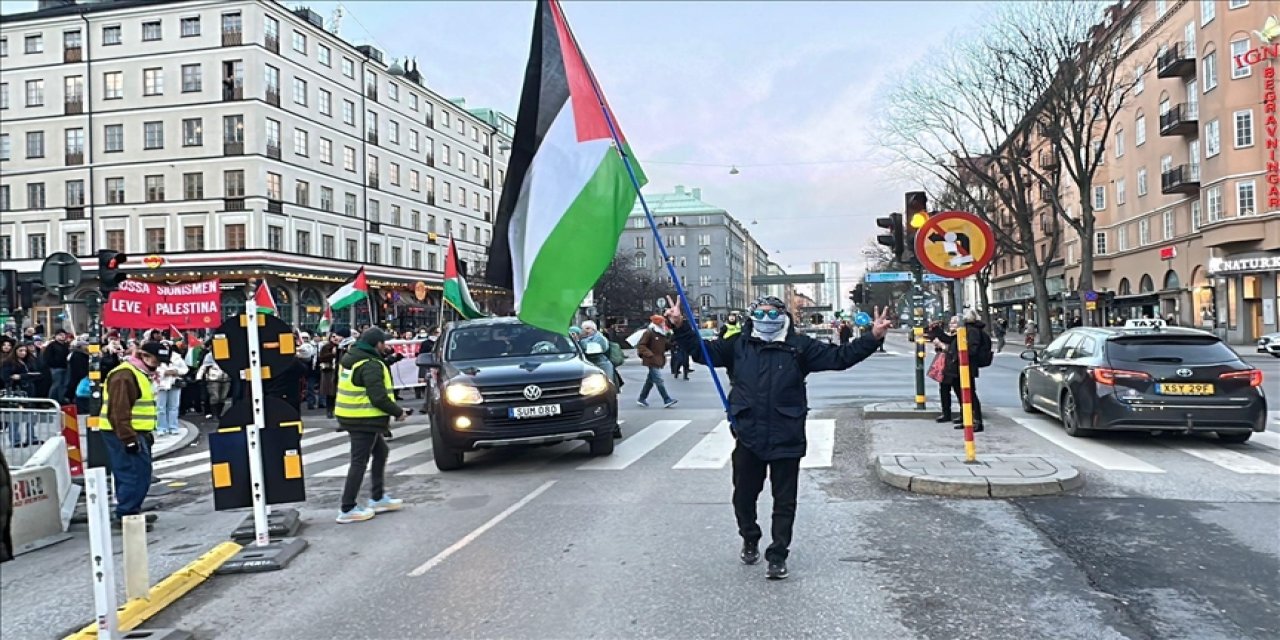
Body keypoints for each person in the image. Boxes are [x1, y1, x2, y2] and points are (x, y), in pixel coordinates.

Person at [668, 295, 889, 580]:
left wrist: (872, 337)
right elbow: (701, 352)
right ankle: (750, 536)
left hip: (787, 433)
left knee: (784, 500)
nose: (768, 319)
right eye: (761, 313)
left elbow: (839, 358)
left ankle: (778, 554)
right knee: (743, 497)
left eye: (774, 314)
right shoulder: (738, 345)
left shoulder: (800, 346)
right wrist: (680, 325)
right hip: (748, 435)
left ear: (785, 316)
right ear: (752, 316)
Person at [334, 328, 407, 524]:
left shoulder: (352, 357)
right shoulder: (370, 364)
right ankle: (347, 507)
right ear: (377, 344)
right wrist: (398, 412)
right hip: (363, 418)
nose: (386, 346)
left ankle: (377, 497)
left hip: (353, 415)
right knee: (359, 462)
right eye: (384, 343)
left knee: (381, 452)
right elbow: (378, 397)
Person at [98, 341, 167, 527]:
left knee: (137, 473)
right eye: (157, 360)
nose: (159, 365)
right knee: (133, 474)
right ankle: (126, 515)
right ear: (144, 356)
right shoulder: (125, 375)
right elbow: (119, 410)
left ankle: (130, 512)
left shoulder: (136, 373)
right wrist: (129, 439)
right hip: (124, 433)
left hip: (132, 432)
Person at [932, 309, 992, 432]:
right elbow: (951, 340)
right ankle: (967, 419)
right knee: (963, 394)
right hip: (959, 367)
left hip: (966, 367)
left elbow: (971, 349)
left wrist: (958, 355)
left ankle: (976, 421)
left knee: (969, 395)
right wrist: (937, 331)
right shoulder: (966, 330)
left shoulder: (972, 331)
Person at [2, 344, 41, 447]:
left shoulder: (29, 362)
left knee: (31, 415)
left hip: (29, 391)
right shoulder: (8, 363)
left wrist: (21, 376)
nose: (23, 353)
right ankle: (15, 440)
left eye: (25, 351)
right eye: (20, 350)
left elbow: (37, 374)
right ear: (15, 351)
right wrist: (23, 377)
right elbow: (6, 377)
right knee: (15, 417)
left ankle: (31, 437)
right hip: (16, 392)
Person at [635, 315, 677, 408]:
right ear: (657, 323)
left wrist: (672, 344)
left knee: (650, 381)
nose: (663, 323)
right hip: (651, 360)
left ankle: (642, 398)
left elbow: (664, 346)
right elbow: (641, 345)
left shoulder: (661, 333)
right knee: (658, 380)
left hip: (657, 359)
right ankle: (666, 399)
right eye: (662, 322)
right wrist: (649, 354)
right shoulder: (649, 332)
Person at [152, 341, 189, 436]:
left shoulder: (176, 357)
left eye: (167, 346)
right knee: (161, 408)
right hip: (161, 385)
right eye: (163, 346)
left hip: (174, 384)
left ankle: (173, 426)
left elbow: (185, 369)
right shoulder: (155, 357)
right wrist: (164, 373)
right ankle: (161, 427)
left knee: (173, 406)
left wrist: (176, 371)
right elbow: (152, 370)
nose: (166, 348)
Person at [318, 331, 345, 419]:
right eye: (333, 337)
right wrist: (332, 354)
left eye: (336, 336)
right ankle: (329, 410)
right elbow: (321, 358)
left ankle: (337, 411)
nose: (335, 338)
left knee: (339, 393)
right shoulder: (326, 347)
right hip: (329, 372)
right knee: (330, 393)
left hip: (340, 372)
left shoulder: (342, 347)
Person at [197, 350, 230, 420]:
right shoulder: (209, 355)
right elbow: (204, 366)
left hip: (226, 378)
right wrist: (199, 377)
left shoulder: (228, 352)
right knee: (215, 397)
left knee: (223, 397)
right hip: (213, 378)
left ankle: (219, 413)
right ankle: (214, 414)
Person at [42, 330, 71, 404]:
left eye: (64, 335)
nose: (62, 336)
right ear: (56, 336)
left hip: (65, 367)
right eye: (60, 335)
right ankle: (51, 400)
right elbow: (47, 357)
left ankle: (60, 399)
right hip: (55, 368)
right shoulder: (52, 345)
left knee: (63, 385)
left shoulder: (66, 345)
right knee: (56, 384)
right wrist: (53, 364)